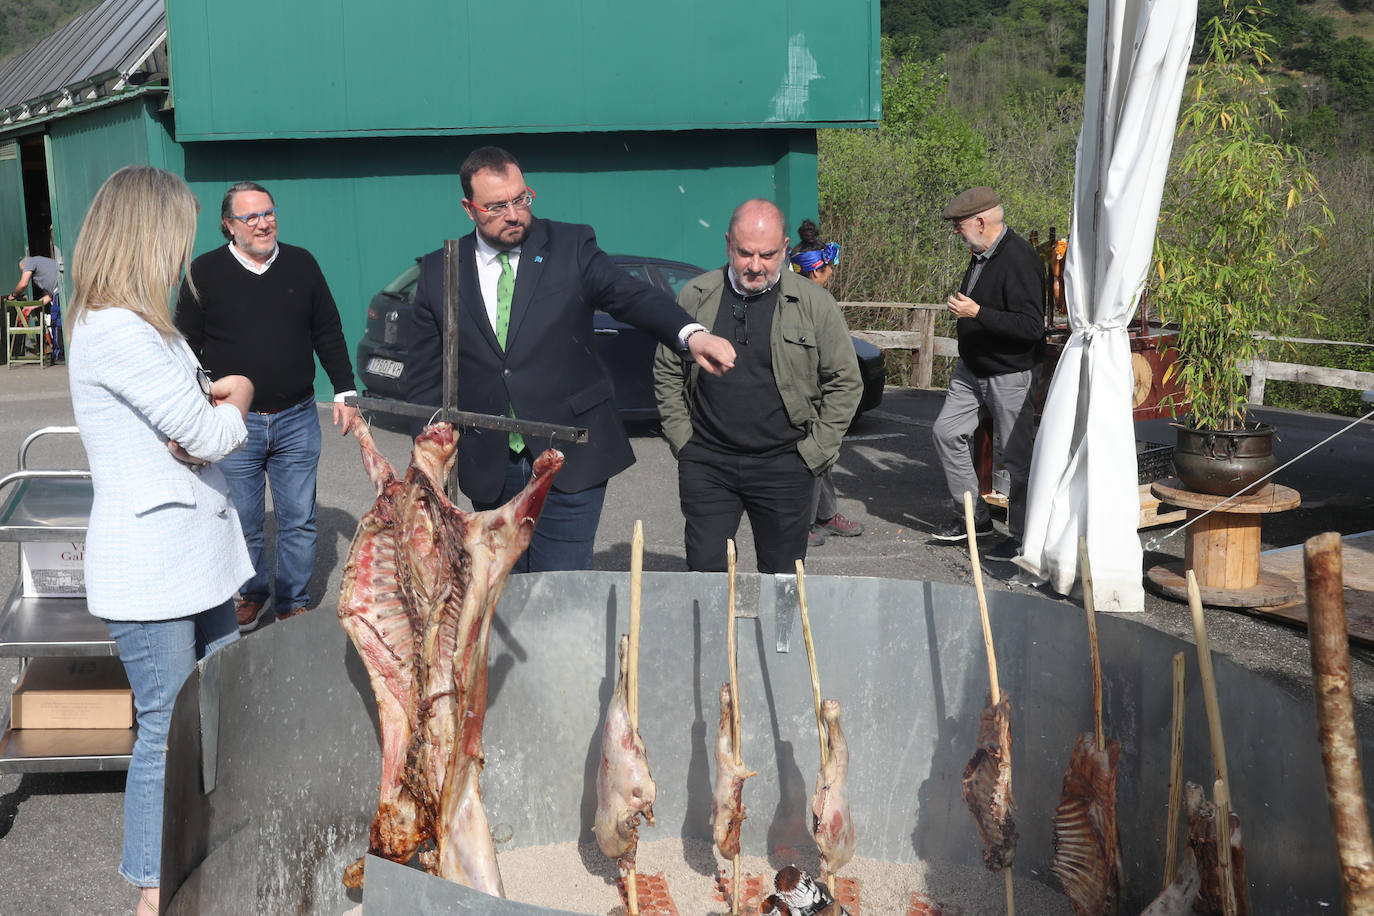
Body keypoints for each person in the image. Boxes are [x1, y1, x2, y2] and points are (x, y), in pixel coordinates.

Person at [67, 165, 256, 916]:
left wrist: (209, 414)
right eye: (177, 234)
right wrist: (236, 395)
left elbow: (195, 425)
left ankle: (199, 857)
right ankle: (153, 891)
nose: (185, 252)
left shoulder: (143, 325)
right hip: (153, 568)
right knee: (167, 733)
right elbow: (208, 429)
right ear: (148, 237)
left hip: (194, 561)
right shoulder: (115, 329)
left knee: (210, 719)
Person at [404, 146, 736, 572]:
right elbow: (426, 377)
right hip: (489, 465)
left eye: (521, 199)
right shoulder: (440, 271)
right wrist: (428, 458)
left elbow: (629, 295)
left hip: (570, 459)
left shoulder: (570, 245)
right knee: (501, 595)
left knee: (560, 592)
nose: (514, 214)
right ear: (469, 209)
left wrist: (690, 335)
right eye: (497, 206)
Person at [175, 182, 359, 632]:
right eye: (250, 217)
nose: (263, 224)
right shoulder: (205, 272)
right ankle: (251, 593)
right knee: (244, 519)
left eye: (268, 213)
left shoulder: (301, 264)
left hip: (297, 417)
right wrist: (196, 407)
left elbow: (328, 330)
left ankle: (291, 600)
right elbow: (184, 346)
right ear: (228, 225)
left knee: (298, 517)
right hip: (234, 422)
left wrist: (345, 390)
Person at [653, 199, 862, 573]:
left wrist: (814, 454)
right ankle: (715, 634)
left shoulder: (814, 303)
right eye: (744, 253)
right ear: (728, 243)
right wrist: (683, 442)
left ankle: (776, 635)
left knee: (783, 579)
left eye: (767, 255)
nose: (755, 265)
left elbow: (845, 382)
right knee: (705, 574)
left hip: (786, 464)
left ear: (784, 248)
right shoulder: (695, 296)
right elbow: (668, 371)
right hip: (708, 463)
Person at [931, 187, 1044, 553]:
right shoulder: (980, 253)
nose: (956, 232)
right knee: (946, 432)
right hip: (971, 369)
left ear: (981, 222)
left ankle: (1024, 539)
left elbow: (1030, 327)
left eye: (959, 225)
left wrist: (976, 313)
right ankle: (975, 519)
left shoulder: (1020, 257)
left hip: (1009, 373)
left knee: (1015, 458)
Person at [788, 219, 864, 548]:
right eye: (828, 267)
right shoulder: (803, 300)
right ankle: (800, 523)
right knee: (813, 454)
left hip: (819, 389)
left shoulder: (813, 298)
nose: (831, 272)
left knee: (826, 454)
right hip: (805, 393)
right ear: (815, 271)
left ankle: (826, 514)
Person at [5, 251, 64, 361]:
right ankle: (61, 352)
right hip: (58, 292)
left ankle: (60, 354)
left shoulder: (31, 261)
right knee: (58, 322)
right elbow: (49, 297)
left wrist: (13, 295)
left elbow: (23, 284)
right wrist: (31, 307)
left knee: (57, 323)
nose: (24, 272)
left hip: (60, 290)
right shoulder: (40, 276)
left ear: (24, 266)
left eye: (23, 271)